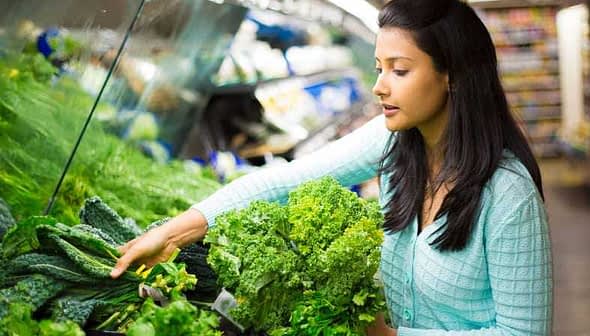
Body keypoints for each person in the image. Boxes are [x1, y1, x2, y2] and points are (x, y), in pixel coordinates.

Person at [111, 0, 553, 334]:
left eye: (399, 70)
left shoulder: (508, 196)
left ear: (452, 75)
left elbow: (522, 332)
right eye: (379, 68)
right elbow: (285, 180)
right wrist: (172, 232)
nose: (379, 86)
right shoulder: (396, 142)